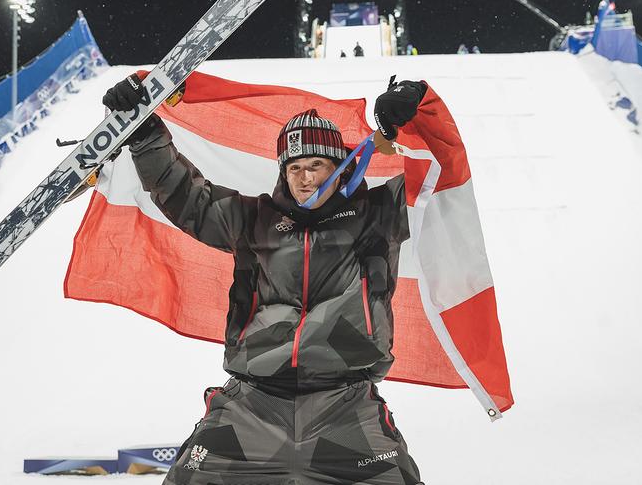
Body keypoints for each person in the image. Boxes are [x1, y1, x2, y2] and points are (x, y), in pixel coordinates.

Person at [102, 74, 428, 485]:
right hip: (253, 405)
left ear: (339, 166)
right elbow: (187, 197)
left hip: (344, 408)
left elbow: (439, 172)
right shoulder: (255, 220)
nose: (305, 178)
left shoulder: (379, 214)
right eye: (294, 168)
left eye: (316, 165)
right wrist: (145, 133)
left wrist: (416, 106)